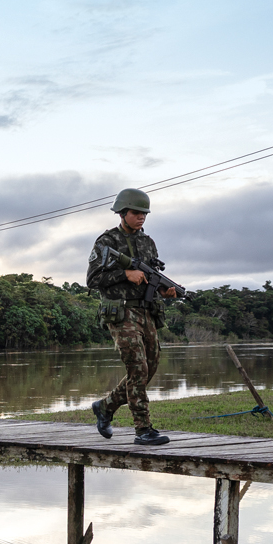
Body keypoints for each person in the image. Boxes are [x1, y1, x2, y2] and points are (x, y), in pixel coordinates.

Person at [87, 188, 176, 446]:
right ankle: (143, 429)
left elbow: (150, 278)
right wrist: (125, 274)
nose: (141, 218)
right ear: (123, 212)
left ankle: (105, 407)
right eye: (136, 213)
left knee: (151, 366)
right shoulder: (106, 241)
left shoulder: (148, 243)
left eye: (144, 214)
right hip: (121, 312)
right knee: (137, 368)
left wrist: (165, 290)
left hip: (146, 311)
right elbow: (92, 280)